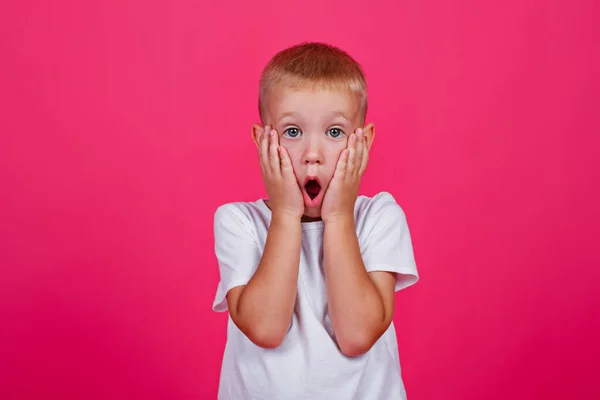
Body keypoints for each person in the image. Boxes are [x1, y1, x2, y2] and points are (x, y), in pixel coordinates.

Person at [212, 42, 419, 400]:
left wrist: (338, 216)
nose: (312, 155)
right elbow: (265, 329)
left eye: (334, 132)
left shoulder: (378, 218)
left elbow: (356, 336)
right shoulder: (239, 222)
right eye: (292, 132)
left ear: (364, 142)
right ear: (263, 141)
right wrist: (287, 214)